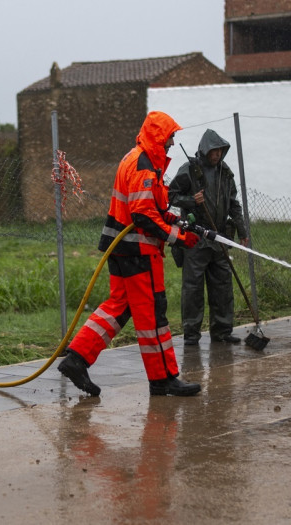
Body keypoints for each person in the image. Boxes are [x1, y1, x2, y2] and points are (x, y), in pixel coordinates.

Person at [57, 111, 202, 397]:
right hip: (138, 251)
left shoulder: (134, 158)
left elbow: (153, 208)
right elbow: (143, 216)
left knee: (119, 307)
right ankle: (164, 378)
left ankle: (76, 359)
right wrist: (179, 238)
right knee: (152, 316)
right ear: (160, 136)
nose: (173, 141)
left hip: (121, 250)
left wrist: (175, 221)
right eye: (171, 136)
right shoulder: (144, 165)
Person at [168, 129, 249, 346]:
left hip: (219, 237)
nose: (217, 155)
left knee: (222, 286)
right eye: (214, 151)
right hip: (194, 238)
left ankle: (222, 332)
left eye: (220, 151)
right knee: (192, 289)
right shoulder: (189, 170)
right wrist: (191, 201)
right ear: (206, 150)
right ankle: (191, 336)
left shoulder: (225, 172)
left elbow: (233, 203)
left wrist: (242, 231)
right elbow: (170, 196)